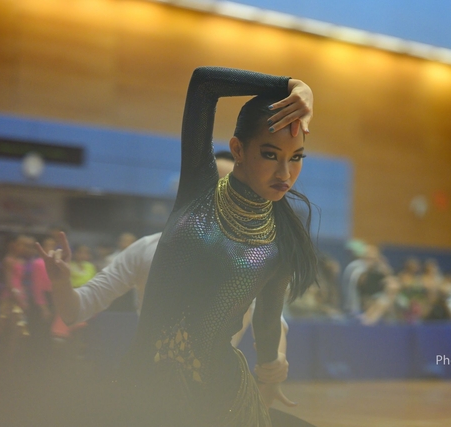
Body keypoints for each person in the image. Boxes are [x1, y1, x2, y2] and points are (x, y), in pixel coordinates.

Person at [40, 67, 317, 427]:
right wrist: (291, 85)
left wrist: (270, 378)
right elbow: (204, 83)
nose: (285, 173)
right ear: (238, 149)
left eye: (296, 157)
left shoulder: (279, 243)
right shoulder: (197, 191)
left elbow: (269, 323)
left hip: (221, 402)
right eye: (270, 154)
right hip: (139, 393)